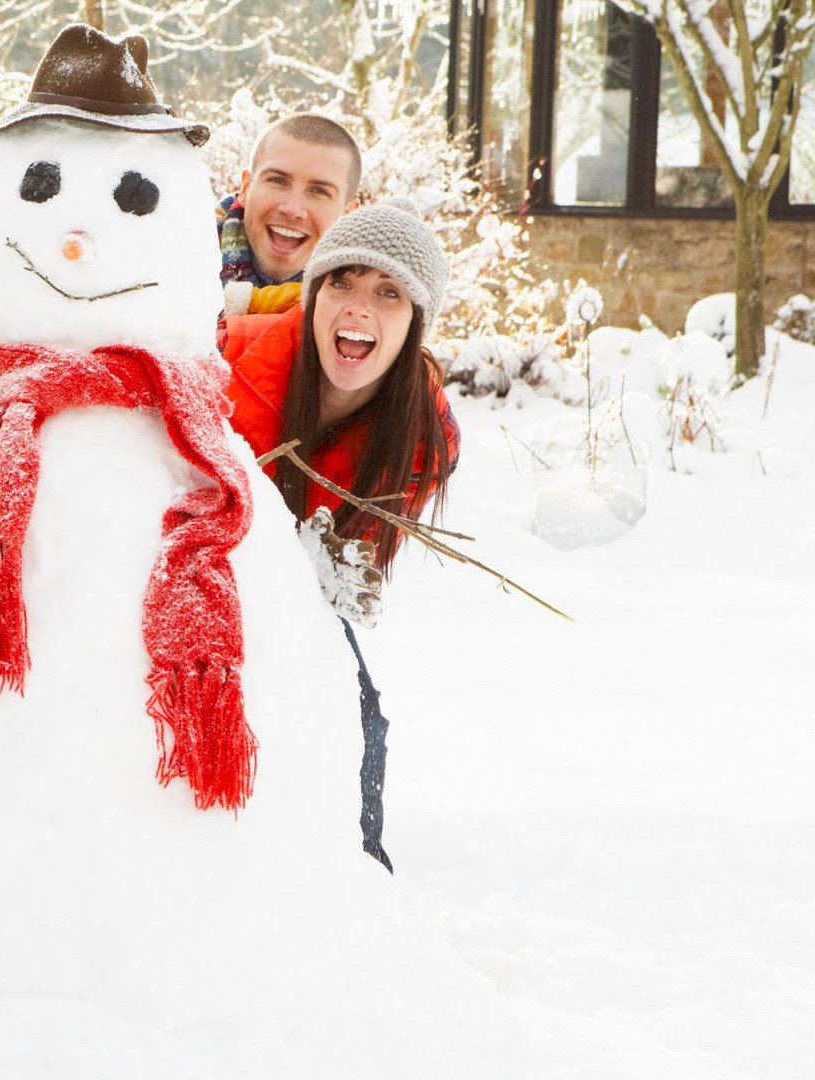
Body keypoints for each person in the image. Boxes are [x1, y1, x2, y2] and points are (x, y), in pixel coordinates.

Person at [220, 199, 460, 871]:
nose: (359, 307)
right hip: (192, 576)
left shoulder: (424, 439)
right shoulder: (227, 357)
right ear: (314, 295)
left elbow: (349, 573)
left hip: (295, 594)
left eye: (389, 293)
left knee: (359, 719)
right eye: (342, 281)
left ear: (415, 322)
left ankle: (354, 878)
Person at [218, 113, 363, 318]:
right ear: (246, 188)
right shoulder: (179, 265)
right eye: (277, 181)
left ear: (349, 215)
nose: (292, 209)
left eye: (320, 192)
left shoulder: (362, 313)